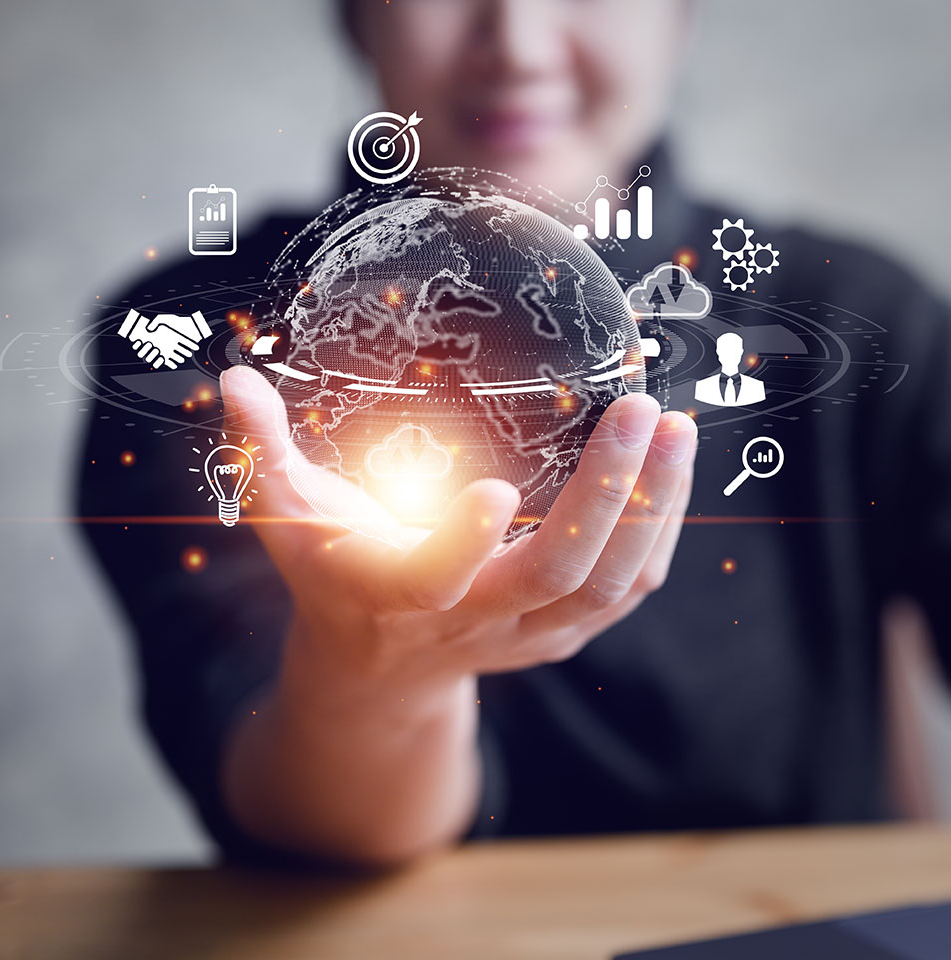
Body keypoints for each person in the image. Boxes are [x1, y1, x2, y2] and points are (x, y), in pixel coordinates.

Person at [78, 0, 951, 868]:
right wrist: (376, 675)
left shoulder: (860, 321)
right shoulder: (196, 343)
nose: (519, 46)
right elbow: (289, 813)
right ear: (356, 17)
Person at [693, 332, 766, 407]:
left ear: (741, 352)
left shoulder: (756, 387)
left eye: (734, 350)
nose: (730, 355)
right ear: (718, 352)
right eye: (725, 350)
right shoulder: (702, 387)